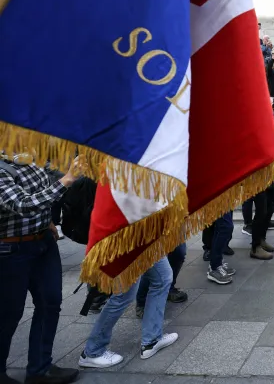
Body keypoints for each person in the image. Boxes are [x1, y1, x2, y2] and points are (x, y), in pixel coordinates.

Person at [0, 155, 83, 384]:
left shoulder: (31, 158)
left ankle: (40, 369)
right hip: (10, 250)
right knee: (8, 313)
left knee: (49, 304)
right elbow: (22, 204)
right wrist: (67, 179)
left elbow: (51, 180)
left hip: (43, 243)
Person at [79, 257, 179, 369]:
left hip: (147, 246)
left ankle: (152, 340)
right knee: (123, 295)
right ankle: (93, 351)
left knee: (163, 278)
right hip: (128, 248)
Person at [249, 144, 274, 260]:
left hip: (272, 180)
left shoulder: (273, 138)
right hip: (259, 181)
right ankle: (255, 247)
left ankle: (262, 240)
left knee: (269, 211)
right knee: (261, 212)